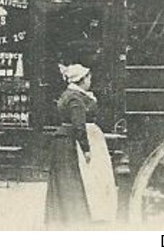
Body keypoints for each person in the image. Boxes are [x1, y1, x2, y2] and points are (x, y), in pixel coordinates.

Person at [46, 63, 117, 227]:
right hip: (74, 141)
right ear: (81, 80)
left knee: (72, 178)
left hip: (69, 139)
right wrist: (86, 149)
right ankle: (76, 215)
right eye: (88, 77)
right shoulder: (75, 97)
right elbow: (79, 124)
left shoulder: (71, 94)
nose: (90, 80)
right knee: (76, 178)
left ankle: (70, 214)